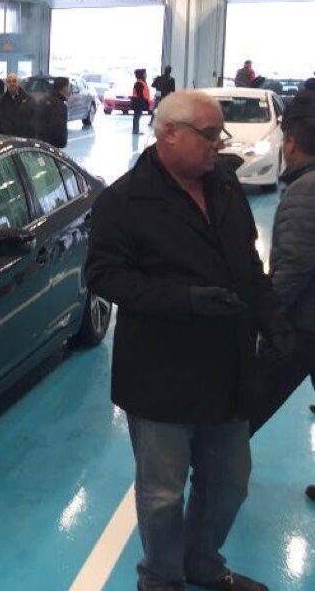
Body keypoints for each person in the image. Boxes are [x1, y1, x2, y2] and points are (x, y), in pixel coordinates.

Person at [86, 90, 292, 591]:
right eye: (209, 134)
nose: (218, 143)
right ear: (169, 134)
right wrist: (187, 301)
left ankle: (203, 564)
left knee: (229, 483)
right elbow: (105, 277)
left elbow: (248, 262)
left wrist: (275, 322)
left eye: (219, 133)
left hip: (228, 367)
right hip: (161, 373)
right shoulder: (124, 201)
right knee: (162, 494)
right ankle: (160, 578)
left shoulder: (224, 184)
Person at [263, 90, 315, 447]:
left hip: (304, 324)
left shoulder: (305, 192)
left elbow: (293, 266)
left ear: (291, 143)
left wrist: (264, 317)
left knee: (250, 402)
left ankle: (214, 469)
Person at [0, 73, 33, 138]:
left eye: (14, 81)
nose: (12, 84)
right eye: (9, 82)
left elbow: (35, 121)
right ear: (6, 84)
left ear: (18, 83)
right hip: (5, 139)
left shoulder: (29, 100)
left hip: (25, 139)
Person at [33, 76, 69, 148]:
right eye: (68, 87)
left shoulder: (43, 100)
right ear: (64, 88)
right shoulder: (59, 105)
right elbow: (57, 127)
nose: (69, 89)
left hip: (40, 140)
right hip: (52, 144)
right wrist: (60, 143)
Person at [131, 69, 151, 136]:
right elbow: (140, 95)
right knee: (137, 116)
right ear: (141, 75)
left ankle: (136, 130)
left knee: (137, 116)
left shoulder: (141, 82)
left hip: (138, 102)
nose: (146, 75)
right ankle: (135, 131)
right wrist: (143, 102)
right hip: (138, 102)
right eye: (145, 74)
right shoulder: (139, 83)